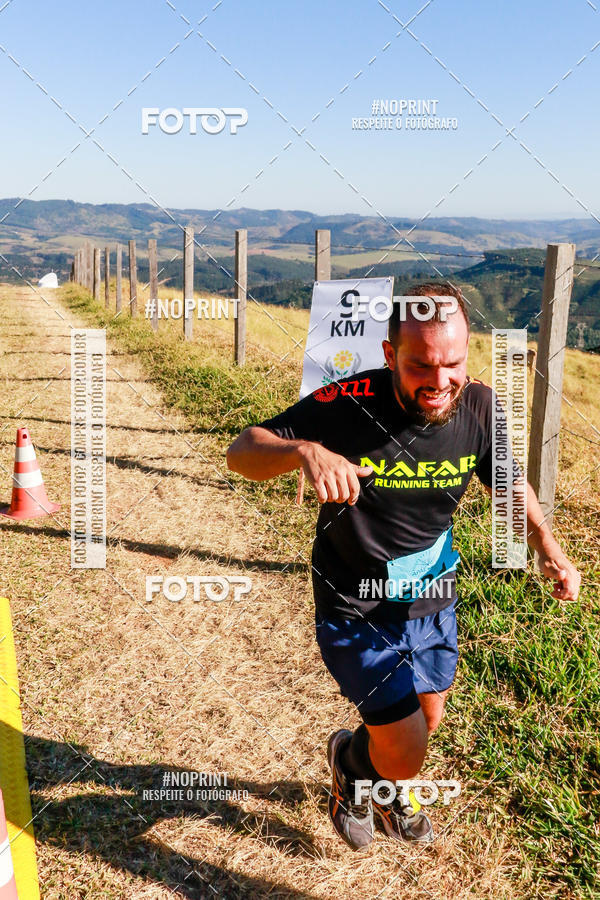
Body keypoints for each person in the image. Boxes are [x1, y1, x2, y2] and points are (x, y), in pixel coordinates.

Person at [225, 282, 581, 850]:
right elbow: (242, 450)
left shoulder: (480, 406)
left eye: (453, 363)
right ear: (390, 355)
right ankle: (356, 767)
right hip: (355, 602)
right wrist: (303, 451)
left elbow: (510, 487)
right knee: (408, 746)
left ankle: (374, 776)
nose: (440, 382)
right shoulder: (347, 401)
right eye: (421, 365)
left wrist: (547, 546)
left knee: (425, 720)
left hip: (432, 596)